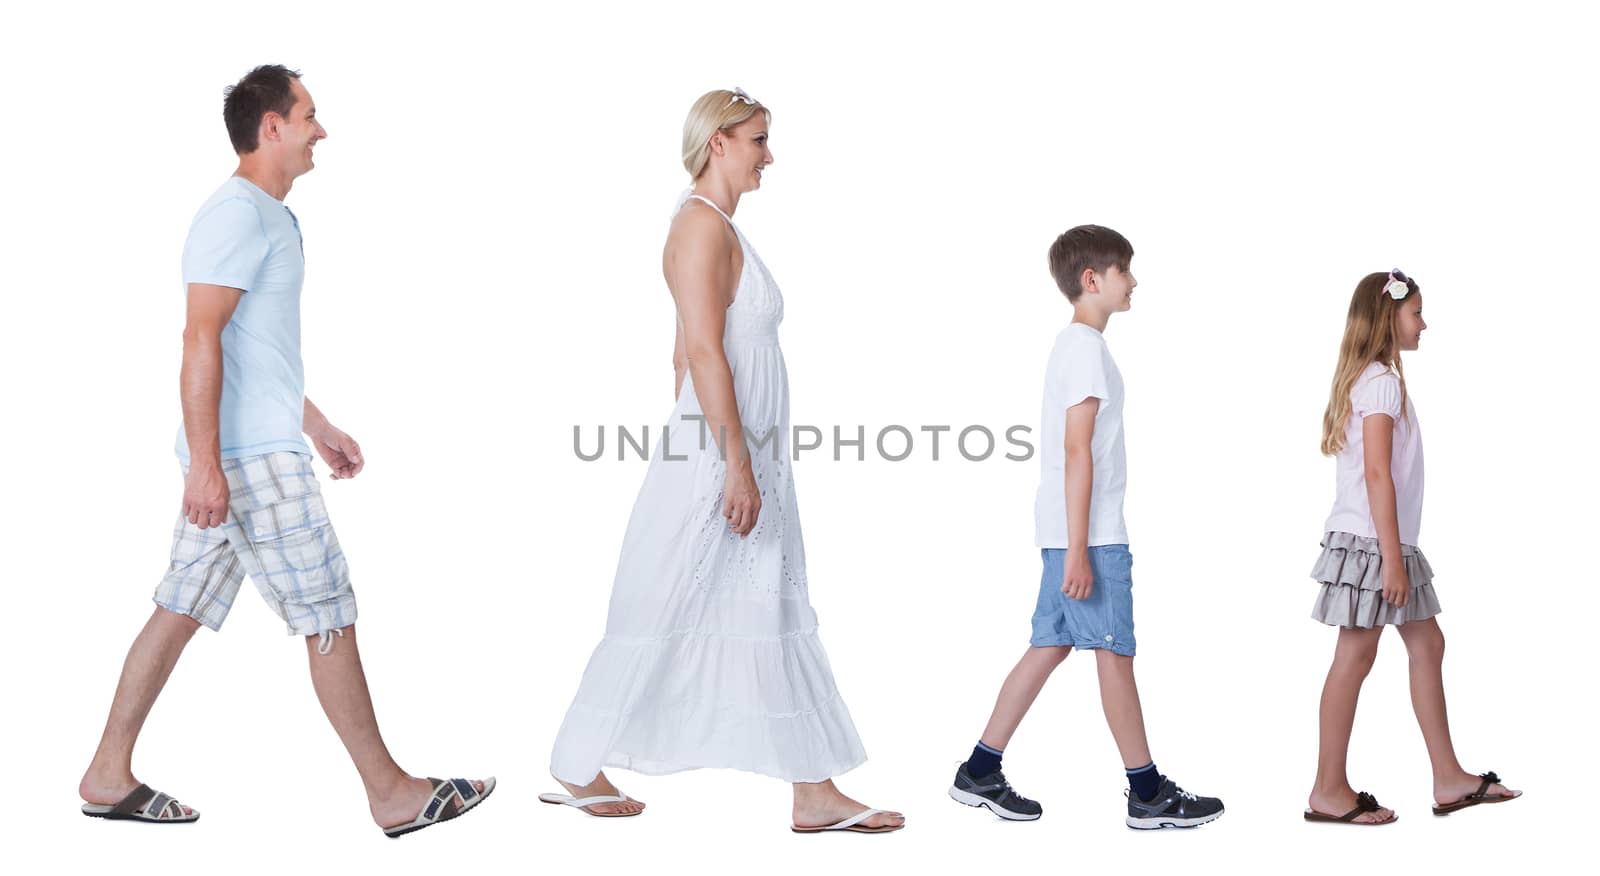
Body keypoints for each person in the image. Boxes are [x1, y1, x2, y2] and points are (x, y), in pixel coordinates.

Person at [76, 65, 493, 838]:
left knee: (179, 607)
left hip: (251, 447)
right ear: (271, 127)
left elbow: (249, 350)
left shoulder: (268, 216)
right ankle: (392, 793)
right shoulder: (235, 214)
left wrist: (318, 423)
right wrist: (207, 464)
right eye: (309, 116)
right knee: (327, 608)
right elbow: (198, 340)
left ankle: (107, 773)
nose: (320, 131)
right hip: (248, 462)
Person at [539, 88, 903, 835]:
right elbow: (702, 351)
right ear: (721, 143)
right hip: (725, 454)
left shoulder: (720, 228)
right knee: (668, 596)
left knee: (758, 601)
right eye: (760, 139)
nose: (770, 154)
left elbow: (682, 352)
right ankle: (580, 765)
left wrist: (730, 454)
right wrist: (729, 464)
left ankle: (811, 791)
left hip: (733, 449)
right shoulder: (702, 227)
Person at [947, 226, 1224, 829]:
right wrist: (1079, 550)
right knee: (1114, 652)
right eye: (1124, 270)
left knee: (1050, 644)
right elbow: (1079, 451)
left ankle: (979, 770)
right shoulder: (1084, 350)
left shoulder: (1077, 347)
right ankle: (1148, 793)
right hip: (1090, 537)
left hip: (1069, 532)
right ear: (1091, 280)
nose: (1133, 281)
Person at [1303, 269, 1520, 825]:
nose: (1423, 323)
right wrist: (1394, 561)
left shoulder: (1375, 378)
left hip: (1384, 539)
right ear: (1388, 317)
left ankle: (1448, 778)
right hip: (1378, 543)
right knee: (1356, 655)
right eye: (1416, 312)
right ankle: (1328, 788)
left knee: (1426, 643)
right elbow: (1378, 473)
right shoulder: (1381, 381)